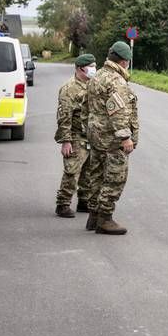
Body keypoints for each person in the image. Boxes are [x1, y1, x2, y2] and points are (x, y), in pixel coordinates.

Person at [85, 41, 138, 235]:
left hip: (95, 135)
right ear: (124, 61)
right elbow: (118, 112)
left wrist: (89, 128)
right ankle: (105, 219)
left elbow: (86, 107)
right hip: (112, 139)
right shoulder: (116, 81)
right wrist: (125, 137)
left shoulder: (97, 76)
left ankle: (93, 215)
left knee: (96, 174)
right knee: (115, 177)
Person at [53, 53, 97, 217]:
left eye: (95, 66)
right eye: (91, 66)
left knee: (88, 171)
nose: (94, 69)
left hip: (90, 136)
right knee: (72, 171)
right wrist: (66, 141)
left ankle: (84, 201)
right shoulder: (69, 88)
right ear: (80, 68)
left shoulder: (92, 85)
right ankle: (63, 203)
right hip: (76, 135)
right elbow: (64, 116)